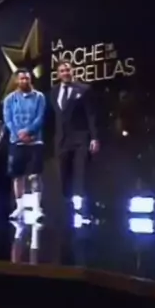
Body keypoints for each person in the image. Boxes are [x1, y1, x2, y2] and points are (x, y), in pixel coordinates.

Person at [49, 59, 99, 203]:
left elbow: (91, 115)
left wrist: (94, 137)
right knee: (64, 175)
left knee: (81, 174)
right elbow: (54, 116)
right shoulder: (54, 91)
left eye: (68, 70)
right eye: (62, 71)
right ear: (58, 74)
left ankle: (84, 207)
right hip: (62, 140)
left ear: (73, 71)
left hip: (80, 139)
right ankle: (67, 206)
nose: (65, 73)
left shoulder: (84, 89)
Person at [3, 68, 46, 220]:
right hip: (16, 142)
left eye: (27, 78)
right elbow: (8, 120)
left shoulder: (39, 97)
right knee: (17, 176)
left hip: (35, 141)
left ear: (30, 79)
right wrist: (19, 134)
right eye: (21, 78)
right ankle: (19, 207)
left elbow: (40, 117)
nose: (24, 81)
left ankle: (37, 208)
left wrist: (28, 131)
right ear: (17, 80)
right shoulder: (9, 99)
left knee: (35, 175)